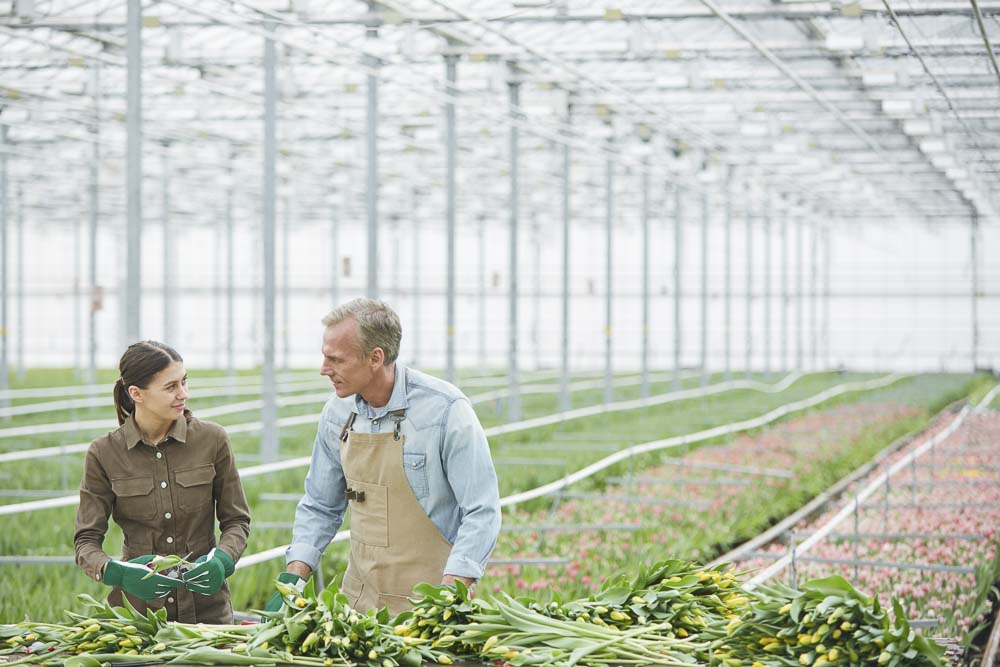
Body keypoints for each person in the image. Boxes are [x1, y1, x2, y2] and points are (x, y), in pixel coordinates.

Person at [266, 298, 501, 615]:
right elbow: (321, 505)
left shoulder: (445, 411)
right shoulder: (337, 413)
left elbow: (481, 510)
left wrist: (451, 592)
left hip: (429, 603)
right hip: (359, 602)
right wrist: (292, 580)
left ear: (375, 358)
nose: (324, 370)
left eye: (336, 360)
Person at [74, 341, 251, 624]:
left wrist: (223, 560)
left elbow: (237, 521)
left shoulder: (213, 440)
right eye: (171, 387)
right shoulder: (104, 453)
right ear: (136, 394)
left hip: (208, 616)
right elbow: (86, 541)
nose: (184, 394)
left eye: (184, 382)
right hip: (136, 617)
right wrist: (117, 573)